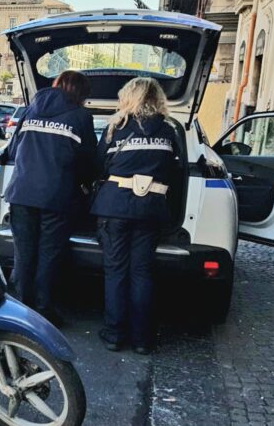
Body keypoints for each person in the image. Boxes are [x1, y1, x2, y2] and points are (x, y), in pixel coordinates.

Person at [0, 70, 97, 325]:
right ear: (81, 93)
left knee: (24, 253)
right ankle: (43, 309)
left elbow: (14, 148)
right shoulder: (81, 116)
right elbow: (89, 160)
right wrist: (86, 184)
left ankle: (18, 309)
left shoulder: (31, 110)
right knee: (49, 254)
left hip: (21, 192)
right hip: (57, 197)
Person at [91, 77, 178, 355]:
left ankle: (114, 334)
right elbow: (174, 170)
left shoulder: (116, 128)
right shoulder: (169, 131)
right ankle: (142, 339)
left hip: (114, 207)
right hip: (150, 209)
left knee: (115, 271)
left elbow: (98, 166)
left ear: (128, 98)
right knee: (141, 272)